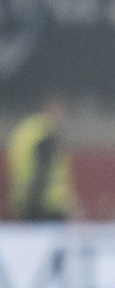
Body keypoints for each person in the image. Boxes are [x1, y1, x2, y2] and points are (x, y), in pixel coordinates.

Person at [7, 93, 73, 222]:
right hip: (45, 207)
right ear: (53, 110)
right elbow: (41, 173)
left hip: (25, 202)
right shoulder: (45, 137)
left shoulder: (27, 131)